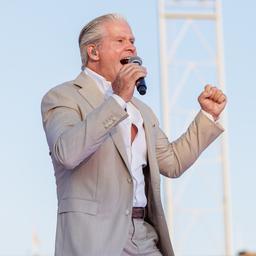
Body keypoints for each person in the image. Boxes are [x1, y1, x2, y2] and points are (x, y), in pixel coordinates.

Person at [41, 13, 227, 256]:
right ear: (93, 52)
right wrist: (117, 99)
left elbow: (172, 163)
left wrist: (207, 116)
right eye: (120, 41)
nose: (131, 46)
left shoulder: (142, 111)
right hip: (94, 238)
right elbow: (67, 153)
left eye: (132, 40)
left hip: (144, 235)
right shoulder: (63, 97)